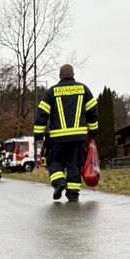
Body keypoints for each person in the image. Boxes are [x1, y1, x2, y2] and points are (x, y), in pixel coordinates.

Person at [33, 64, 98, 202]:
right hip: (79, 137)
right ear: (73, 75)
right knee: (74, 164)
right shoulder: (83, 89)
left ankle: (59, 183)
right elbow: (93, 112)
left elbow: (42, 114)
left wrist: (38, 135)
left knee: (54, 161)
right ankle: (73, 194)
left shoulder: (51, 92)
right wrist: (93, 132)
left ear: (60, 76)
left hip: (57, 138)